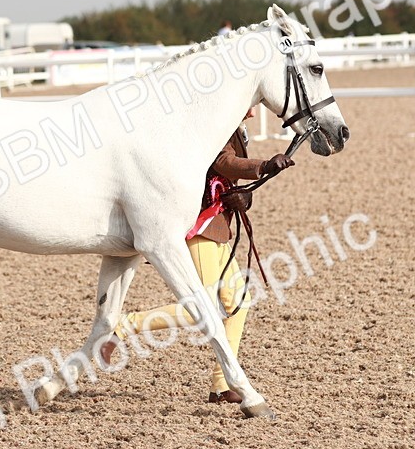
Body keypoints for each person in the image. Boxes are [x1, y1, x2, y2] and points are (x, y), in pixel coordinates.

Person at [101, 108, 294, 404]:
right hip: (199, 225)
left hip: (217, 226)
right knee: (205, 305)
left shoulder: (235, 127)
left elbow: (223, 175)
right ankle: (126, 326)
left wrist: (245, 196)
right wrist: (264, 165)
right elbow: (223, 161)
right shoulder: (215, 122)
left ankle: (221, 384)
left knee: (239, 302)